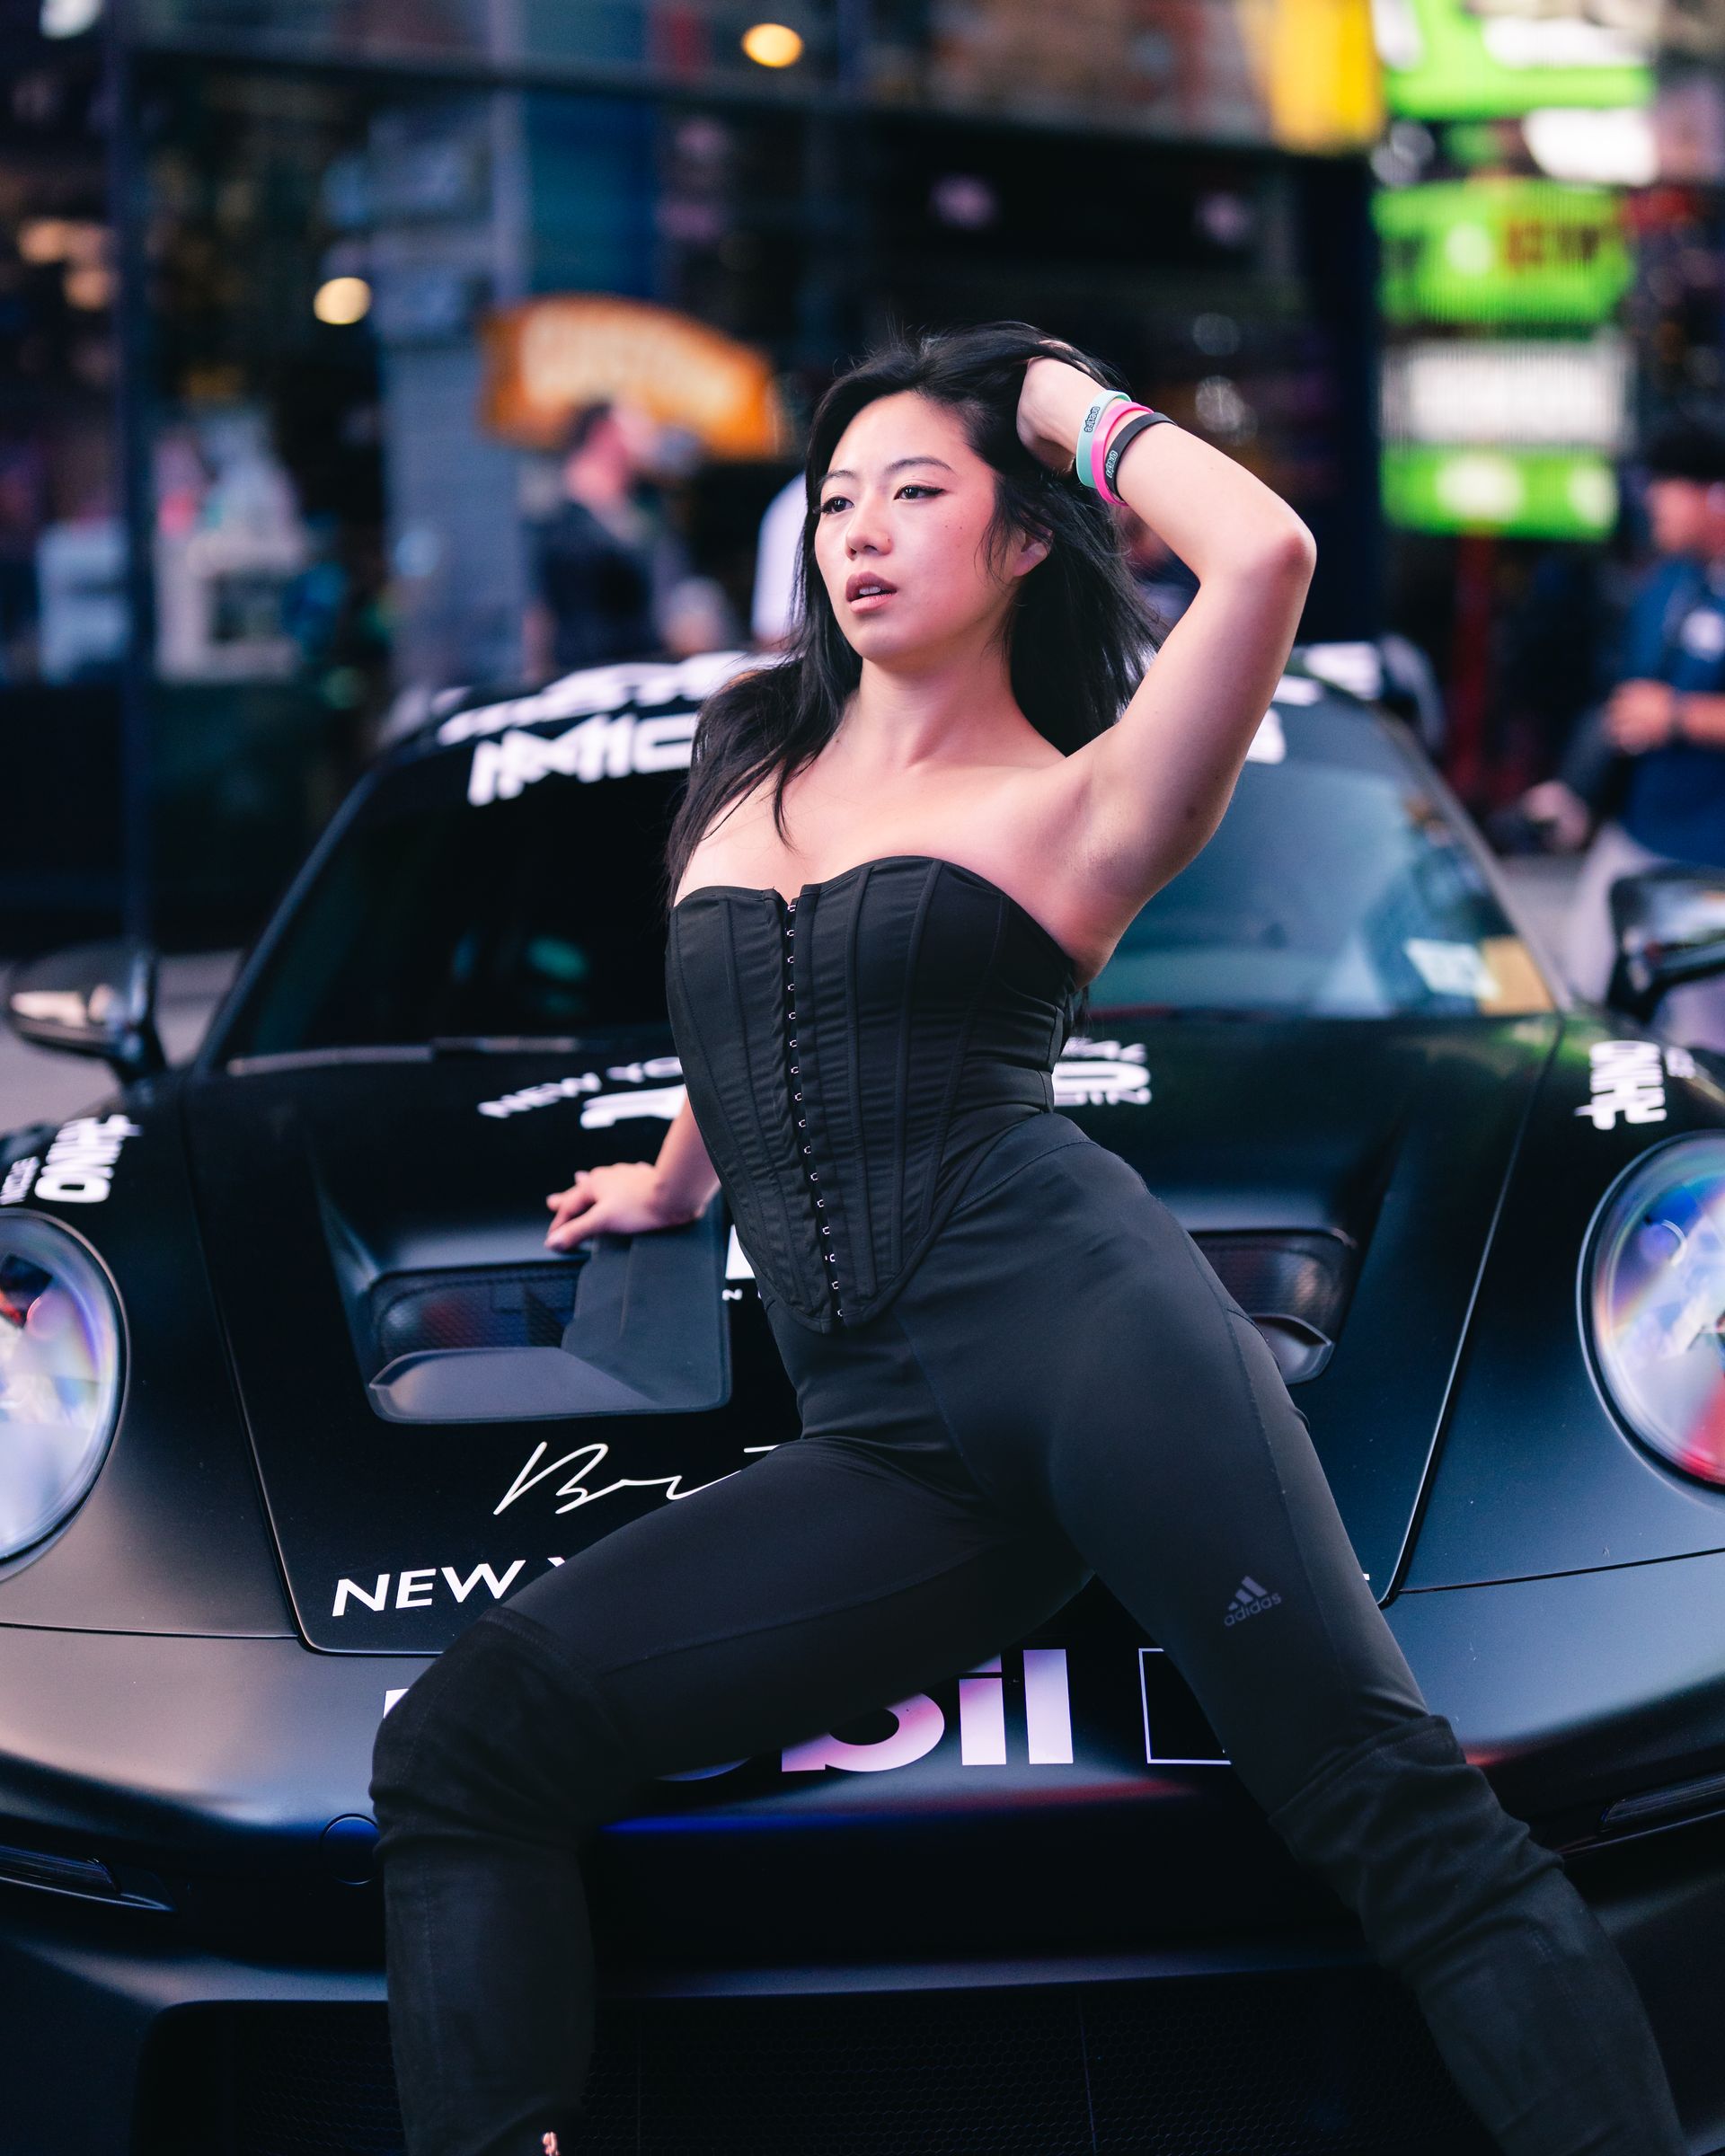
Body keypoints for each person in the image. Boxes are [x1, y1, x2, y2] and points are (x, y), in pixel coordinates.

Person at [371, 323, 1687, 2156]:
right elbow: (753, 1007)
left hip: (1096, 1346)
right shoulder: (751, 752)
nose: (864, 530)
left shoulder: (1088, 795)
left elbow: (1268, 557)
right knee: (458, 1753)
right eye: (837, 497)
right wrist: (674, 1183)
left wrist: (1058, 394)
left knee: (1392, 1811)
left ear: (1022, 543)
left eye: (922, 490)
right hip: (888, 1446)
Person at [1518, 411, 1725, 1012]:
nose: (1653, 501)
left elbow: (1661, 708)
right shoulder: (1671, 581)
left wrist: (1681, 717)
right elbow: (1624, 697)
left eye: (1669, 486)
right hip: (1635, 836)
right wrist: (1579, 792)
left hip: (1711, 863)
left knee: (1699, 1050)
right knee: (1585, 1002)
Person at [522, 399, 667, 679]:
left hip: (639, 674)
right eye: (634, 427)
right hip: (585, 681)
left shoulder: (639, 508)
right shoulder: (559, 521)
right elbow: (539, 614)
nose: (645, 438)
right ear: (605, 434)